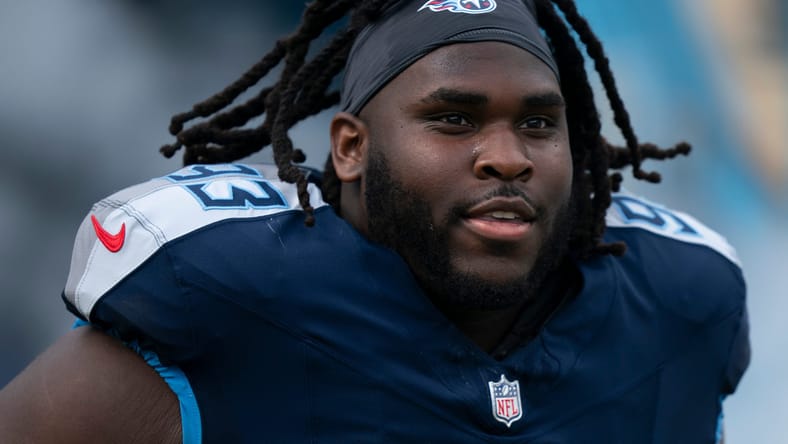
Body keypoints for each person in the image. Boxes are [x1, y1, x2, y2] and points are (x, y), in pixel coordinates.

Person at [0, 0, 749, 442]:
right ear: (351, 149)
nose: (507, 158)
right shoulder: (225, 296)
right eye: (454, 119)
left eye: (538, 124)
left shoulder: (675, 302)